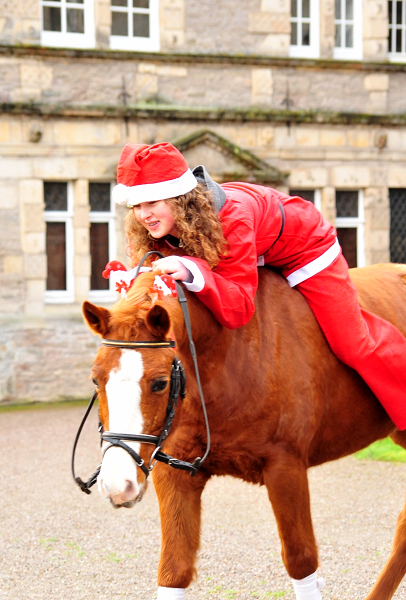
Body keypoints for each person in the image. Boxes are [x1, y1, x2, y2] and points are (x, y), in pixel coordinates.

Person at [112, 141, 406, 432]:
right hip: (257, 248)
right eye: (136, 205)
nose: (143, 215)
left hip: (304, 248)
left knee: (351, 342)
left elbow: (238, 309)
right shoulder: (150, 227)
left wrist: (190, 269)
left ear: (178, 198)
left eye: (151, 203)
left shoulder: (233, 219)